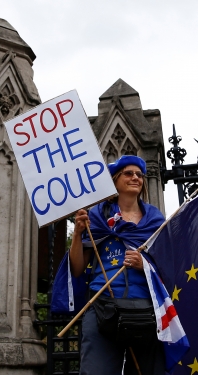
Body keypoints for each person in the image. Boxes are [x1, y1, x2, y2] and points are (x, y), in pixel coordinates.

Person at [69, 155, 166, 375]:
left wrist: (144, 264)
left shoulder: (155, 219)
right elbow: (77, 268)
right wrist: (77, 234)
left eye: (139, 175)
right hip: (103, 306)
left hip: (147, 309)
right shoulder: (97, 216)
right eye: (128, 173)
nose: (136, 178)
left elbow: (167, 265)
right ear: (115, 180)